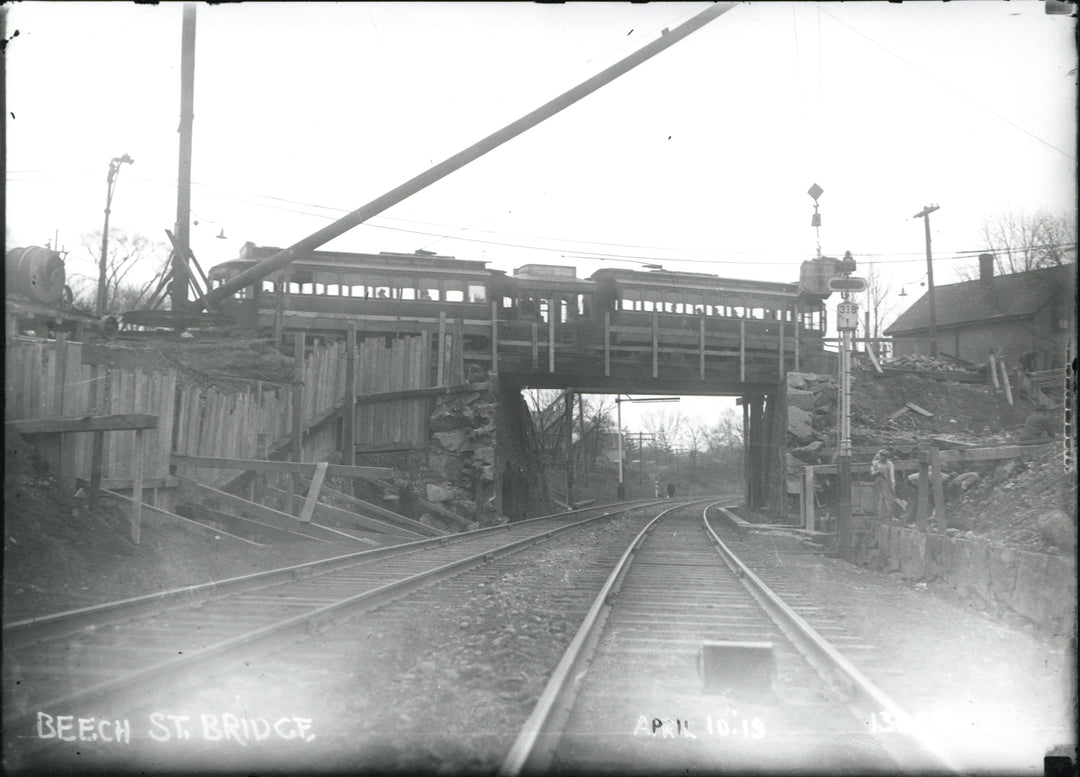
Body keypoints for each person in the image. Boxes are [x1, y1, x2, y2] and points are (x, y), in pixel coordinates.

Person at [870, 449, 902, 519]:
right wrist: (877, 472)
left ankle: (890, 515)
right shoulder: (875, 463)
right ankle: (878, 514)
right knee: (878, 497)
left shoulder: (890, 464)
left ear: (887, 458)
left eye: (885, 458)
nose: (883, 459)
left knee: (889, 497)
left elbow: (891, 474)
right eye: (882, 457)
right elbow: (871, 473)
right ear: (880, 456)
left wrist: (893, 484)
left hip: (887, 481)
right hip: (878, 480)